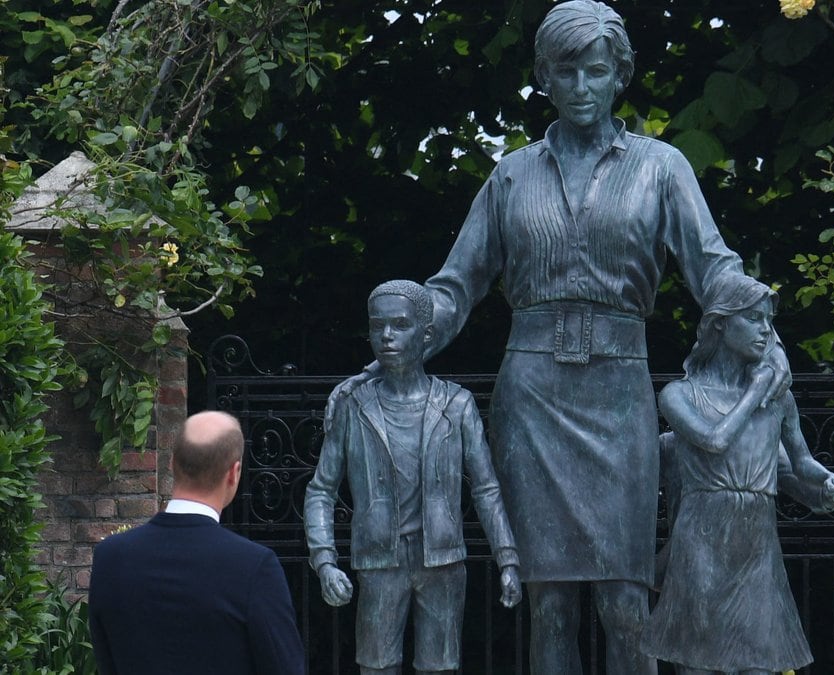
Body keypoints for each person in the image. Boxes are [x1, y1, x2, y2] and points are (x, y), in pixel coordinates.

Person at [338, 2, 790, 673]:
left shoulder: (661, 167)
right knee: (547, 602)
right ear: (545, 77)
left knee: (625, 600)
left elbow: (712, 266)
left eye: (596, 71)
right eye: (567, 71)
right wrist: (403, 332)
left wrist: (762, 327)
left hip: (619, 388)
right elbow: (457, 284)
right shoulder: (512, 175)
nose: (581, 86)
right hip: (534, 395)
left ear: (619, 77)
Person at [642, 274, 834, 674]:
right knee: (697, 664)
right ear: (720, 324)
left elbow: (803, 468)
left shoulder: (778, 401)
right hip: (700, 545)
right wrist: (756, 391)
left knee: (759, 665)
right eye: (754, 319)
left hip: (756, 551)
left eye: (769, 321)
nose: (766, 331)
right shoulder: (680, 394)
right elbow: (714, 440)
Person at [304, 280, 522, 675]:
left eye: (399, 324)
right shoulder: (354, 407)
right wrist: (325, 560)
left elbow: (487, 488)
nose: (386, 336)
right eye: (377, 325)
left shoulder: (457, 405)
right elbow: (321, 489)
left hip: (442, 560)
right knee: (376, 666)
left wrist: (507, 558)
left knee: (440, 668)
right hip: (379, 560)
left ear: (425, 335)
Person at [88, 410, 305, 675]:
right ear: (234, 473)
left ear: (171, 463)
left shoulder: (110, 557)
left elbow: (106, 660)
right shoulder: (253, 567)